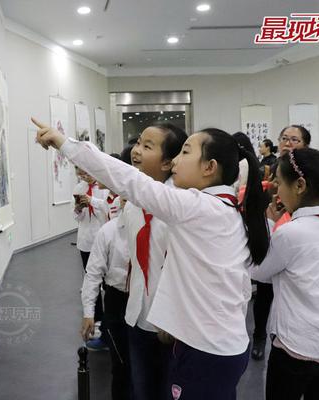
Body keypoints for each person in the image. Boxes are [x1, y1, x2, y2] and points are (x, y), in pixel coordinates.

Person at [32, 117, 269, 400]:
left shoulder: (197, 207)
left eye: (186, 152)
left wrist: (62, 142)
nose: (177, 160)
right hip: (219, 344)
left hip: (204, 349)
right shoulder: (228, 211)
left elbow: (130, 181)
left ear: (209, 168)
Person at [250, 149, 319, 400]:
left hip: (295, 347)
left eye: (278, 181)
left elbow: (260, 272)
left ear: (299, 185)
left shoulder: (292, 233)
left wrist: (269, 223)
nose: (276, 189)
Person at [122, 124, 187, 400]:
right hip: (137, 315)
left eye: (147, 146)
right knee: (142, 390)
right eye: (138, 142)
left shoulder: (182, 207)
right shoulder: (131, 205)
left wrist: (171, 315)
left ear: (167, 162)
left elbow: (184, 270)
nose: (136, 150)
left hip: (172, 326)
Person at [252, 125, 311, 360]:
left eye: (294, 139)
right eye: (284, 138)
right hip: (271, 228)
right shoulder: (271, 167)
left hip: (297, 235)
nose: (288, 143)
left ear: (305, 145)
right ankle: (259, 336)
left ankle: (292, 338)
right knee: (265, 290)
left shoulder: (311, 170)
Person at [81, 197, 130, 400]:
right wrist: (88, 313)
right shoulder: (109, 231)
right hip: (117, 301)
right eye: (127, 199)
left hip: (148, 302)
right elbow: (92, 274)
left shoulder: (161, 229)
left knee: (147, 367)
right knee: (121, 366)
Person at [73, 167, 109, 350]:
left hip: (102, 240)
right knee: (91, 281)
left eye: (85, 172)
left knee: (107, 284)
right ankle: (97, 320)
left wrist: (92, 200)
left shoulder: (104, 186)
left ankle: (109, 325)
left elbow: (109, 207)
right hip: (85, 241)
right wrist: (78, 209)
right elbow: (76, 217)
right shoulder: (79, 187)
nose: (83, 176)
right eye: (80, 173)